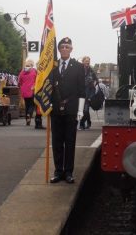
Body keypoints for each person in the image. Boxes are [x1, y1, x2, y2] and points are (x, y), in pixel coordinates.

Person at [50, 37, 86, 184]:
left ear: (71, 49)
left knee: (70, 142)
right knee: (57, 142)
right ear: (59, 49)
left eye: (67, 46)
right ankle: (58, 171)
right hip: (56, 110)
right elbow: (48, 88)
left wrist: (80, 110)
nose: (64, 49)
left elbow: (82, 91)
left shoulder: (78, 67)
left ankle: (69, 172)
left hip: (71, 109)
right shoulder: (53, 67)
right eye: (62, 47)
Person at [18, 59, 42, 128]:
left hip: (24, 91)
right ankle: (29, 114)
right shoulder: (34, 71)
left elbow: (19, 81)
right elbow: (37, 80)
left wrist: (22, 86)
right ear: (32, 65)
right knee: (32, 105)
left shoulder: (22, 72)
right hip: (32, 90)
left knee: (27, 105)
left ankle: (27, 120)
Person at [79, 56, 97, 130]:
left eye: (88, 61)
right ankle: (88, 122)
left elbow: (96, 80)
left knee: (85, 110)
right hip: (80, 93)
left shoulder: (91, 71)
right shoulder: (79, 70)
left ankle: (82, 124)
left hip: (89, 92)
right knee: (82, 110)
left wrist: (94, 83)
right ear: (83, 62)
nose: (87, 62)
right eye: (86, 61)